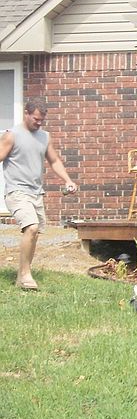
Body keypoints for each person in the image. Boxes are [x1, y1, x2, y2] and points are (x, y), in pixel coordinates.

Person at [0, 100, 78, 290]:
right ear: (26, 113)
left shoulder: (44, 137)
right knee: (32, 227)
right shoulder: (12, 135)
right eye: (36, 119)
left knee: (34, 234)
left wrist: (68, 180)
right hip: (16, 191)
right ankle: (25, 276)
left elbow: (54, 161)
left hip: (36, 193)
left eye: (42, 120)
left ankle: (23, 274)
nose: (39, 123)